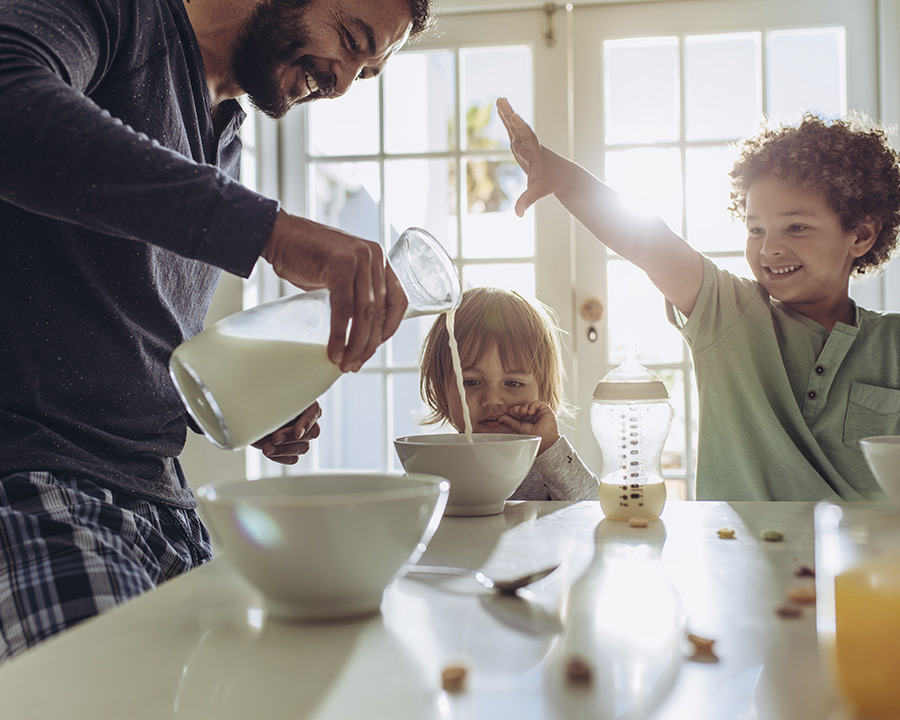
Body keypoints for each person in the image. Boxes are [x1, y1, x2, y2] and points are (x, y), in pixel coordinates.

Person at [0, 0, 433, 660]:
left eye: (367, 72)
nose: (343, 82)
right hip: (42, 487)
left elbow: (133, 340)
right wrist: (269, 230)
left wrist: (234, 406)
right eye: (350, 41)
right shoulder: (123, 18)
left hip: (168, 511)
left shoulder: (223, 138)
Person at [497, 97, 900, 502]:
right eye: (756, 229)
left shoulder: (893, 342)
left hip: (864, 558)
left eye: (796, 227)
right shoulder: (730, 314)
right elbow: (650, 240)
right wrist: (562, 178)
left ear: (861, 235)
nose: (769, 249)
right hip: (738, 556)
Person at [419, 287, 598, 501]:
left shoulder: (546, 464)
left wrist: (549, 447)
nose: (492, 399)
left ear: (543, 390)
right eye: (472, 382)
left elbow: (590, 508)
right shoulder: (432, 463)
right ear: (441, 391)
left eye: (513, 383)